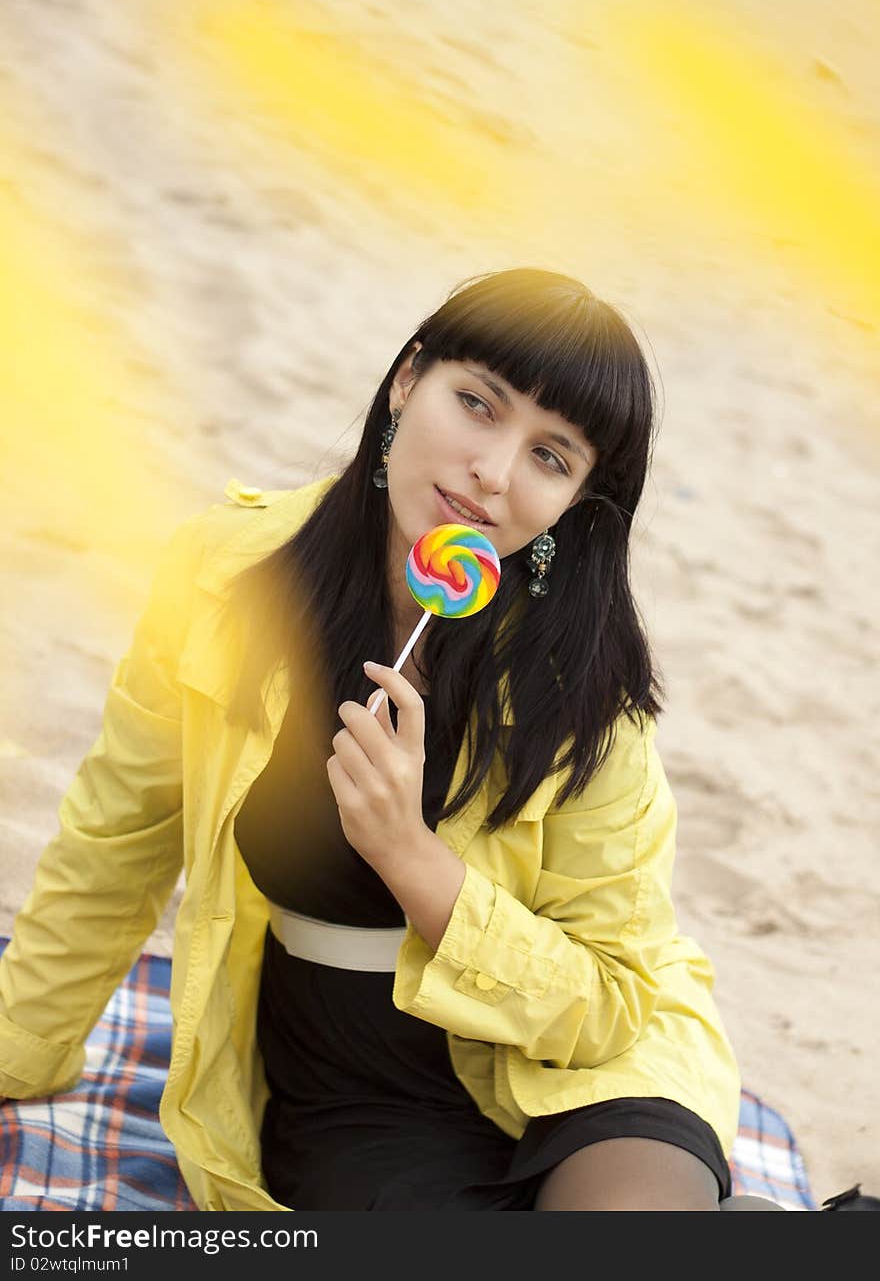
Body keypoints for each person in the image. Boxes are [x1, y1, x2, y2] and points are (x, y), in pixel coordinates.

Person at [0, 268, 778, 1211]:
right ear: (408, 379)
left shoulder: (587, 695)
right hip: (355, 1085)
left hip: (583, 1072)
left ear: (576, 501)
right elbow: (116, 836)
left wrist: (412, 860)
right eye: (478, 405)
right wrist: (23, 1047)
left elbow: (608, 1003)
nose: (494, 471)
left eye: (551, 457)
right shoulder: (225, 582)